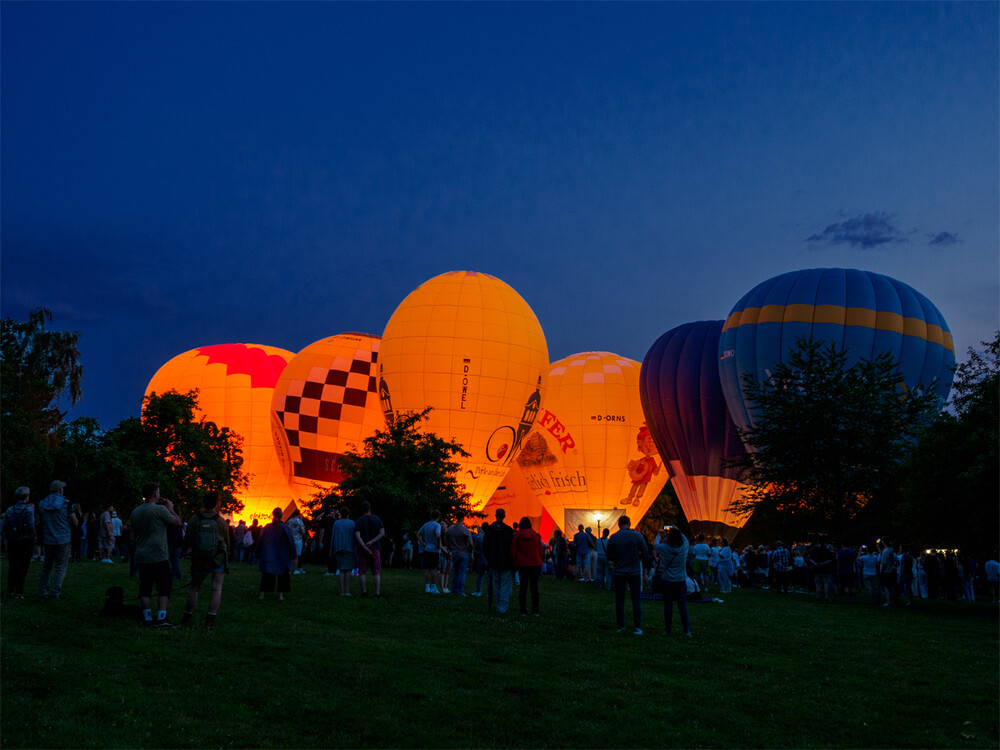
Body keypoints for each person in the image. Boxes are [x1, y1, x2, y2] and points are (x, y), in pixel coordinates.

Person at [131, 482, 183, 626]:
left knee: (145, 587)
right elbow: (177, 522)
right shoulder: (159, 510)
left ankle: (147, 617)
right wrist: (171, 509)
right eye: (158, 492)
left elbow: (132, 535)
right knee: (163, 586)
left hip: (141, 555)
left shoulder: (136, 511)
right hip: (158, 555)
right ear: (154, 494)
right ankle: (161, 617)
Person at [180, 492, 229, 629]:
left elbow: (188, 539)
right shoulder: (220, 521)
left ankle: (187, 618)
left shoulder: (195, 519)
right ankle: (209, 622)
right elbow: (226, 540)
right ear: (216, 503)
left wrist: (187, 551)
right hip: (218, 558)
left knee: (194, 588)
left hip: (199, 557)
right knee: (216, 588)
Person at [606, 515, 651, 635]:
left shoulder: (614, 537)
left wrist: (617, 558)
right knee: (636, 599)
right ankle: (637, 627)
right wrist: (638, 557)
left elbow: (609, 556)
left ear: (618, 524)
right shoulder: (637, 536)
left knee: (619, 600)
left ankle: (621, 626)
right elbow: (646, 553)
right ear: (630, 523)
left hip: (619, 571)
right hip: (634, 571)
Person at [36, 481, 79, 601]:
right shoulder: (66, 503)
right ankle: (55, 593)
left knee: (46, 567)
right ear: (60, 490)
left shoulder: (42, 504)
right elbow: (75, 522)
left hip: (48, 538)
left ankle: (42, 591)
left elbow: (37, 522)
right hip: (63, 538)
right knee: (60, 567)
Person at [655, 526, 691, 637]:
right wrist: (679, 530)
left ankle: (668, 630)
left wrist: (659, 534)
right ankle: (686, 631)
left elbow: (656, 545)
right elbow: (685, 540)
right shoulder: (684, 548)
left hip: (668, 581)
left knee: (668, 606)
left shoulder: (665, 548)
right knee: (682, 607)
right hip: (680, 580)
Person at [257, 507, 296, 601]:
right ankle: (280, 596)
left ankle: (262, 595)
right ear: (282, 515)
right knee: (283, 576)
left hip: (269, 555)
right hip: (282, 555)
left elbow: (260, 540)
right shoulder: (285, 528)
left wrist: (258, 553)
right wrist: (293, 554)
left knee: (266, 575)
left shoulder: (267, 527)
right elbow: (291, 541)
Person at [4, 487, 36, 599]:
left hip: (13, 540)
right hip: (25, 540)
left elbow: (5, 526)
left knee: (12, 565)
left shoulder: (10, 509)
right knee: (23, 566)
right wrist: (34, 536)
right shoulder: (28, 510)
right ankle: (19, 592)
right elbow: (31, 526)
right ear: (26, 496)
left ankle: (11, 590)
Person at [510, 516, 545, 616]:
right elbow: (540, 551)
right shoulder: (536, 536)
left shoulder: (517, 536)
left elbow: (513, 551)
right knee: (534, 587)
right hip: (535, 564)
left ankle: (523, 610)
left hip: (522, 564)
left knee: (523, 588)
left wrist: (514, 562)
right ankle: (535, 610)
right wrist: (540, 562)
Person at [483, 508, 515, 613]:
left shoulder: (490, 529)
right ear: (504, 516)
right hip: (506, 562)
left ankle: (498, 604)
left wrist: (489, 559)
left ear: (495, 515)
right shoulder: (508, 530)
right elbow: (512, 547)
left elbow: (485, 546)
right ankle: (502, 607)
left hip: (494, 562)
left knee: (496, 584)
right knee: (505, 585)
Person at [354, 501, 385, 597]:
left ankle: (364, 591)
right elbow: (382, 533)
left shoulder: (359, 521)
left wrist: (364, 546)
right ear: (370, 508)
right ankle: (377, 592)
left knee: (362, 571)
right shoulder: (377, 519)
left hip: (362, 549)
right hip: (375, 548)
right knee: (376, 571)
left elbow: (357, 535)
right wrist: (372, 542)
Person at [443, 511, 474, 596]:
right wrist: (470, 550)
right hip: (464, 553)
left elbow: (446, 542)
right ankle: (460, 591)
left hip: (454, 553)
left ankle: (453, 590)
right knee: (462, 573)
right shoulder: (465, 530)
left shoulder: (450, 530)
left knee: (455, 572)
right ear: (463, 518)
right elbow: (471, 543)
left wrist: (450, 548)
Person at [332, 506, 357, 596]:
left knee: (341, 570)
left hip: (338, 548)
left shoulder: (336, 523)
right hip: (349, 548)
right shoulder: (352, 523)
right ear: (348, 514)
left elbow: (333, 537)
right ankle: (347, 591)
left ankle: (342, 591)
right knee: (348, 570)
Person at [418, 510, 443, 594]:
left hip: (427, 548)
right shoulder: (437, 525)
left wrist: (422, 542)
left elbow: (418, 534)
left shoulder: (426, 524)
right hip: (434, 550)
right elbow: (438, 535)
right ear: (438, 517)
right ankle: (433, 586)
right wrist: (439, 544)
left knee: (427, 568)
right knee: (434, 568)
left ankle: (427, 587)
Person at [286, 509, 307, 574]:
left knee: (289, 554)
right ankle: (295, 570)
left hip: (290, 539)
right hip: (298, 539)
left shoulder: (289, 521)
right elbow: (303, 531)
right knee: (296, 555)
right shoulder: (300, 521)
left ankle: (289, 569)